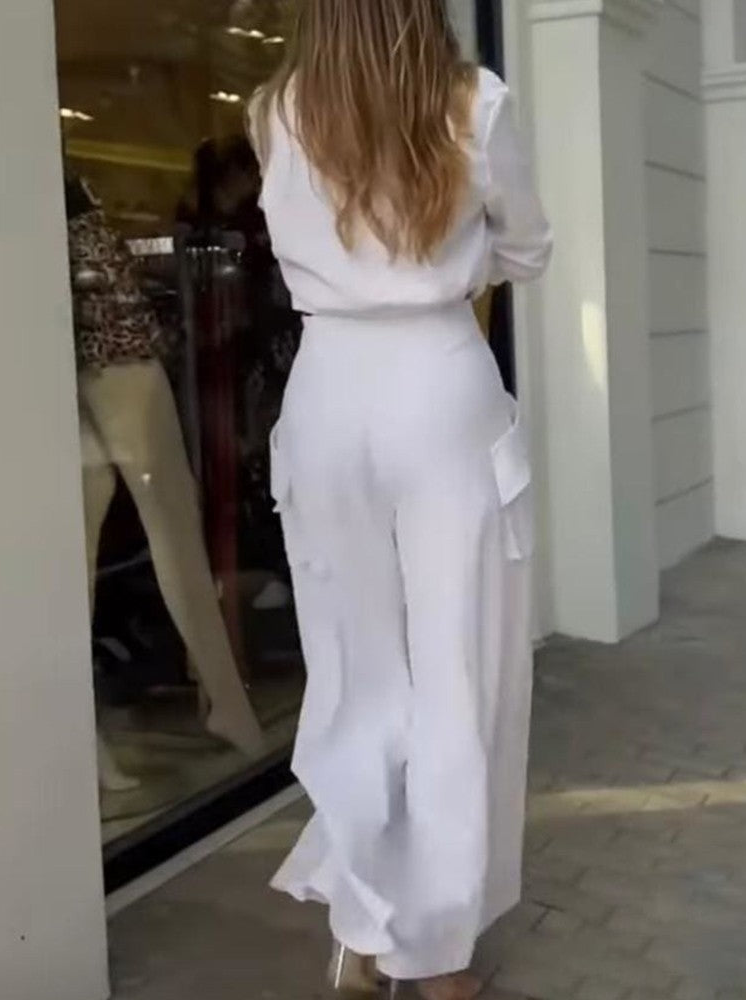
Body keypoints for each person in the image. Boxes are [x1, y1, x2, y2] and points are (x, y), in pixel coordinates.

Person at [246, 1, 552, 997]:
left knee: (355, 670)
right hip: (440, 382)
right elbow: (528, 249)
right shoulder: (474, 102)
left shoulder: (274, 109)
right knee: (458, 669)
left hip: (325, 391)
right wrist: (442, 270)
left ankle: (363, 926)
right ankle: (435, 957)